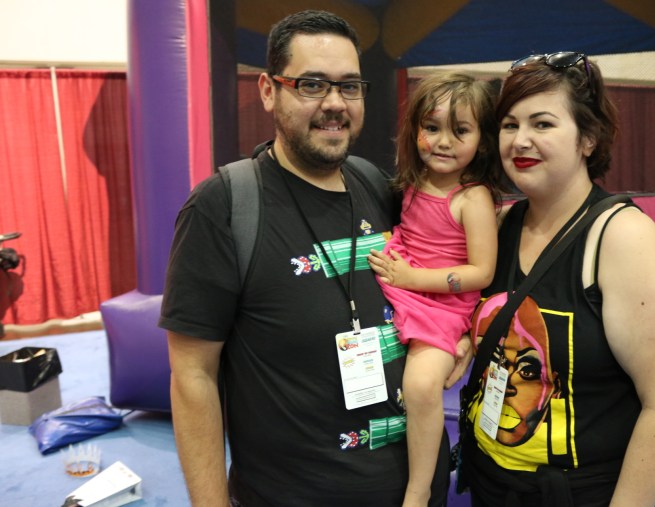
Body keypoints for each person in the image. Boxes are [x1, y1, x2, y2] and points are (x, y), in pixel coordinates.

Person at [158, 10, 469, 507]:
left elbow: (447, 259)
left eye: (349, 86)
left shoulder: (374, 184)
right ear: (267, 91)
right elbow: (193, 376)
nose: (334, 104)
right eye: (311, 84)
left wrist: (465, 333)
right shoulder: (225, 206)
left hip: (415, 490)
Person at [460, 52, 655, 506]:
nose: (520, 141)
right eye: (510, 125)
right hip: (495, 485)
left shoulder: (621, 237)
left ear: (588, 138)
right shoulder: (501, 226)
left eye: (542, 124)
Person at [367, 72, 503, 507]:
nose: (443, 141)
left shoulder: (472, 197)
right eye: (432, 128)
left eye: (459, 131)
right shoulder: (411, 182)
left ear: (481, 142)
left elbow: (481, 272)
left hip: (440, 307)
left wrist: (413, 279)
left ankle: (419, 487)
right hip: (401, 282)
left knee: (423, 385)